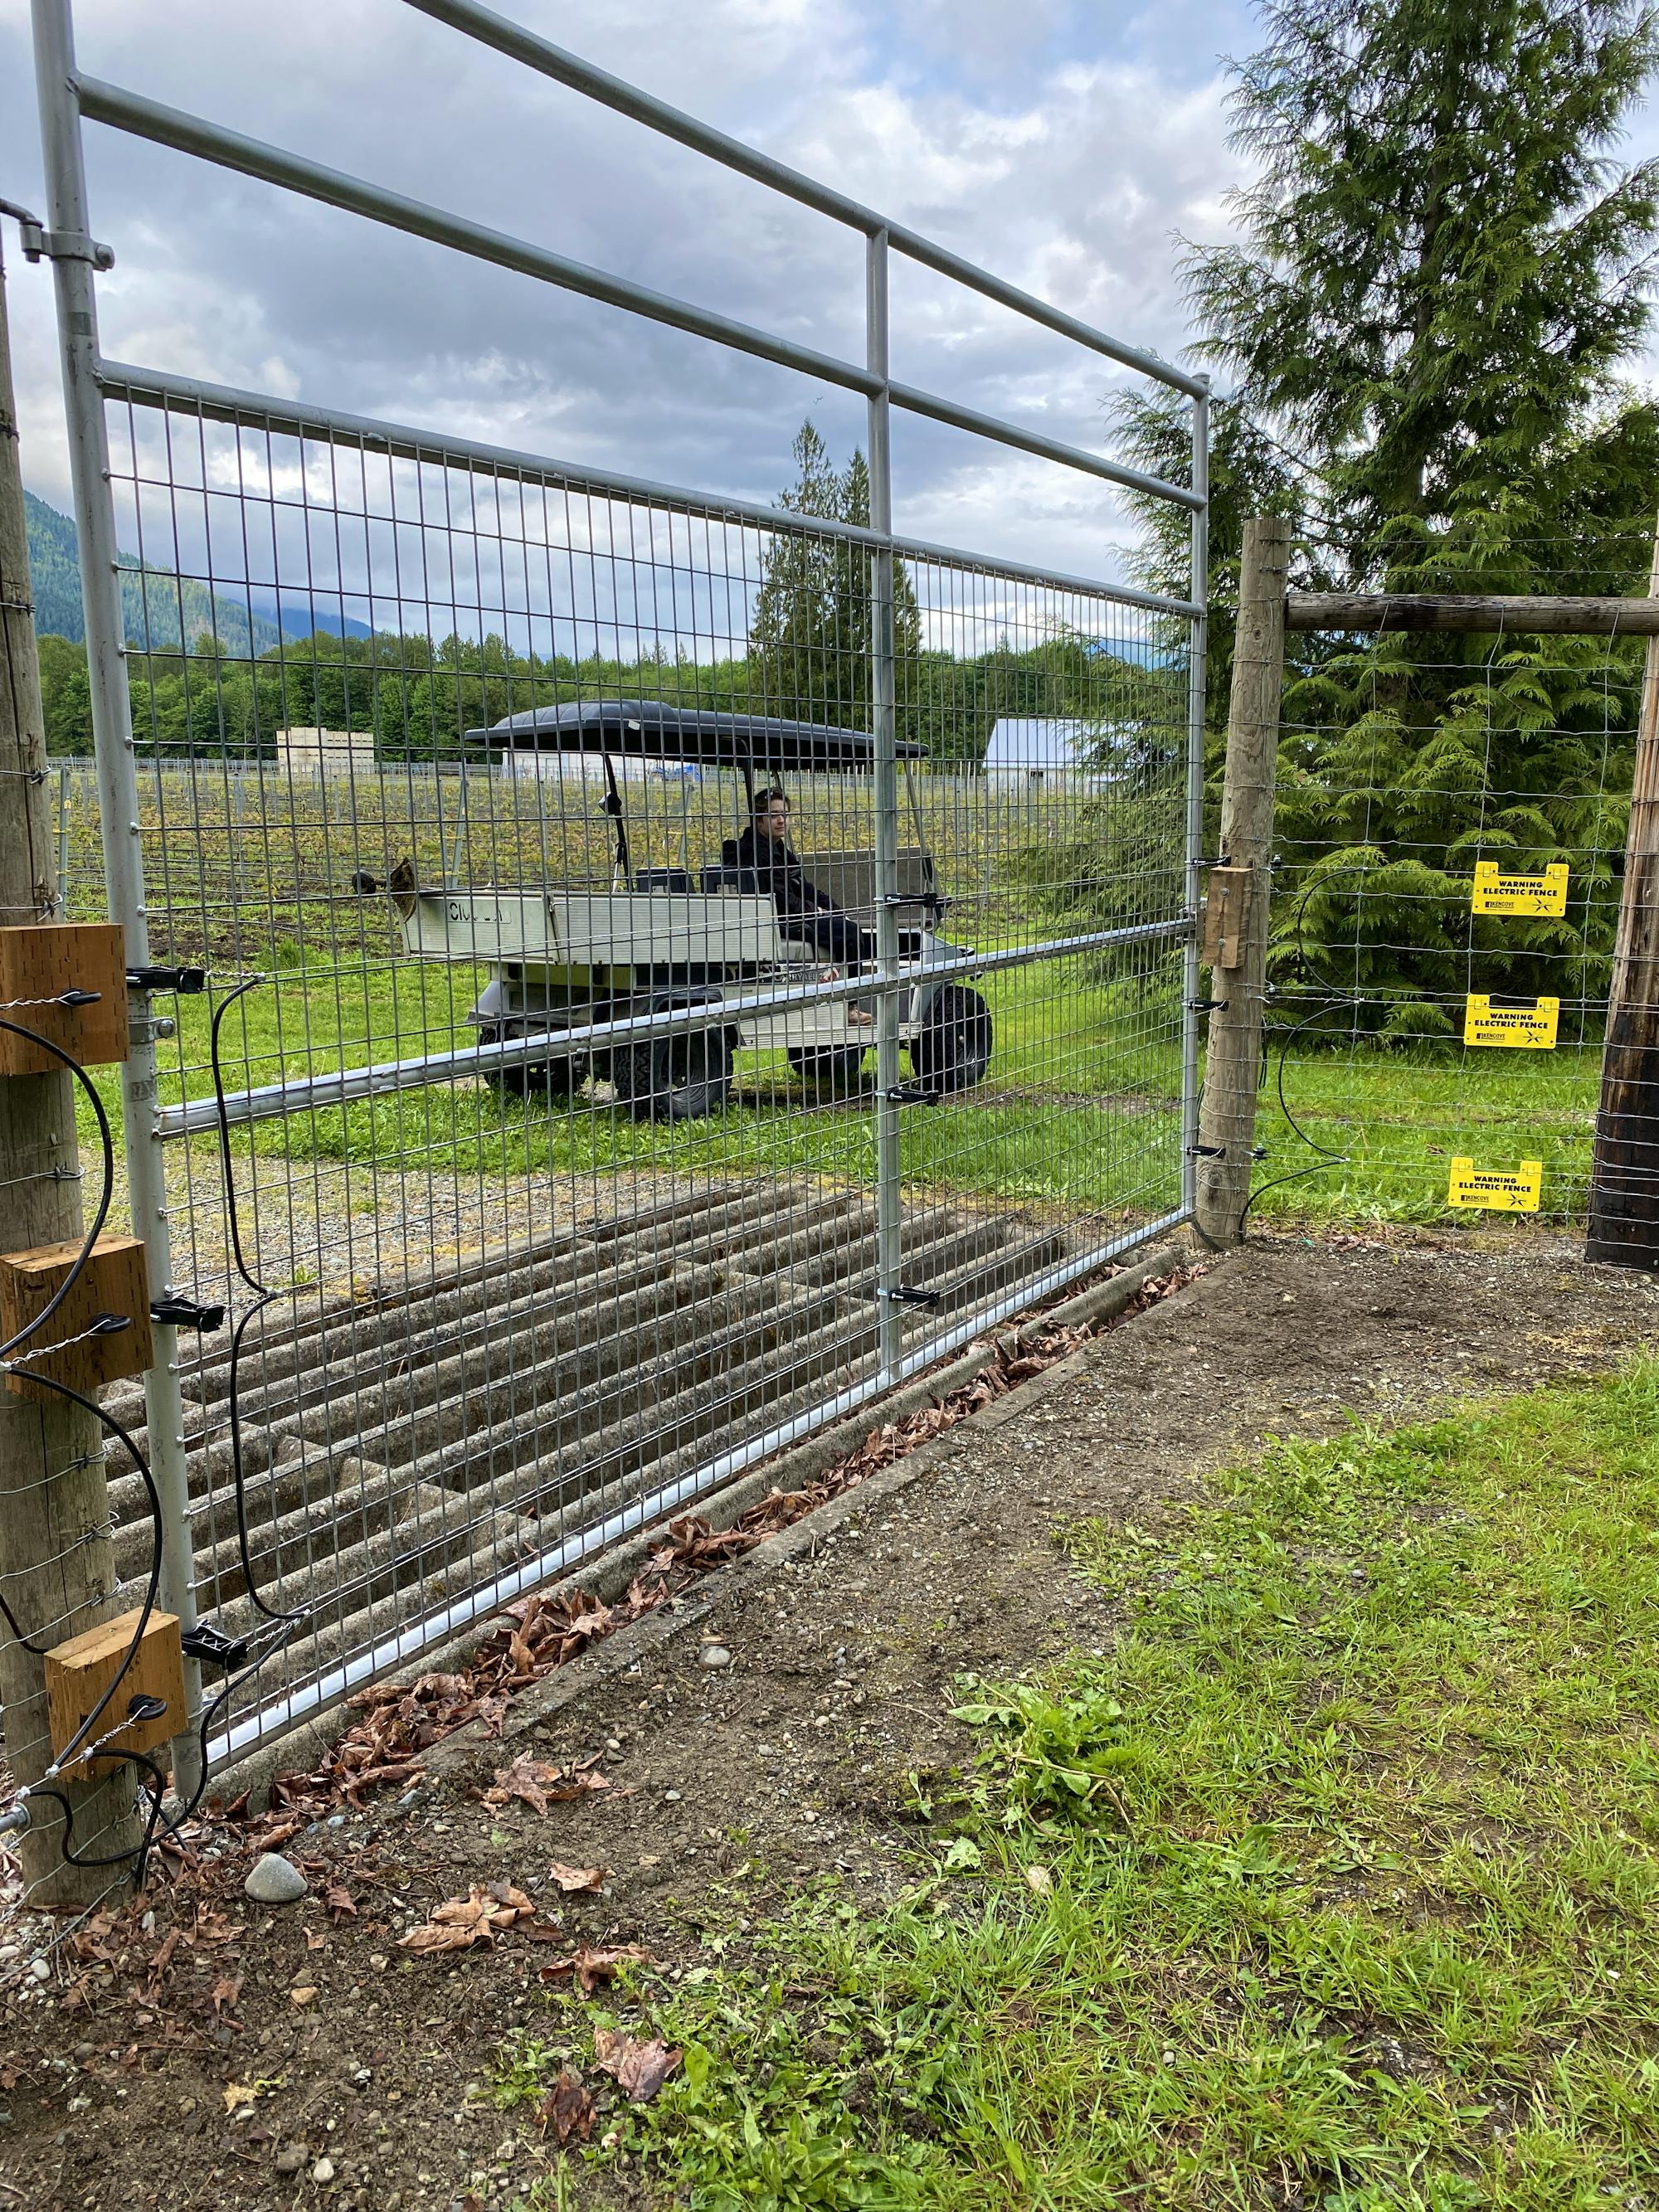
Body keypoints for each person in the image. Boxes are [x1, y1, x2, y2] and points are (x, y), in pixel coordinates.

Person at [720, 789, 874, 1016]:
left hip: (790, 915)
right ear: (759, 820)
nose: (781, 820)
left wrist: (833, 909)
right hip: (780, 921)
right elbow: (783, 902)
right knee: (851, 934)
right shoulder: (759, 853)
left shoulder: (776, 848)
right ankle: (850, 1006)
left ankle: (836, 995)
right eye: (774, 815)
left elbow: (803, 886)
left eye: (785, 814)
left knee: (846, 926)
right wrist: (819, 912)